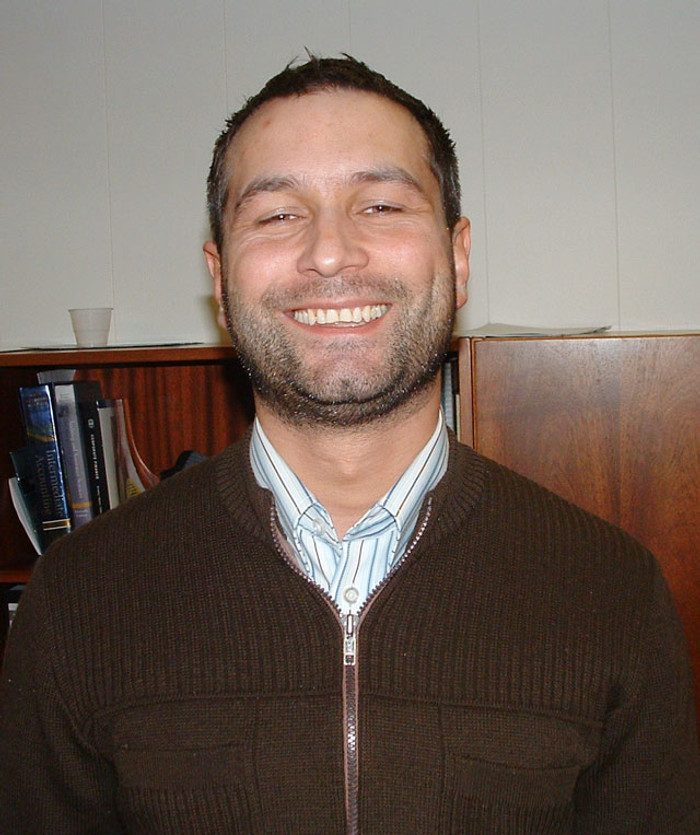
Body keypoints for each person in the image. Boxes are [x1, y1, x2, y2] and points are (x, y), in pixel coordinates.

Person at [1, 55, 698, 833]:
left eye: (381, 205)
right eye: (277, 215)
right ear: (220, 280)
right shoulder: (79, 599)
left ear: (458, 257)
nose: (330, 253)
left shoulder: (610, 590)